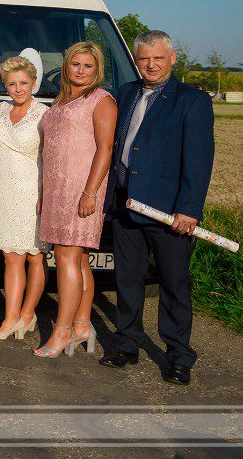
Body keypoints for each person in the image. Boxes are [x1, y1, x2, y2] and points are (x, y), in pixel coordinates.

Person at [99, 31, 214, 385]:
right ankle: (127, 345)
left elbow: (198, 160)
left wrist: (189, 209)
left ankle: (179, 357)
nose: (150, 65)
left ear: (172, 58)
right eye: (144, 58)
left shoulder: (192, 100)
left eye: (158, 58)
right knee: (127, 280)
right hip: (125, 203)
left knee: (174, 284)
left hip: (169, 212)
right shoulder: (127, 92)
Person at [35, 41, 117, 358]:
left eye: (88, 66)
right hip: (57, 189)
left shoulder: (101, 100)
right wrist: (44, 192)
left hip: (81, 190)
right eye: (76, 64)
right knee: (78, 259)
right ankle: (83, 324)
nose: (81, 71)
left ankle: (62, 331)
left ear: (96, 70)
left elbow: (105, 149)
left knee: (67, 258)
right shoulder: (61, 100)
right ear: (67, 65)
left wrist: (90, 192)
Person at [0, 55, 49, 341]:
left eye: (24, 83)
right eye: (12, 84)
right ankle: (11, 318)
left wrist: (46, 194)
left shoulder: (44, 113)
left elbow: (52, 158)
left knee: (35, 256)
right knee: (12, 257)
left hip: (33, 192)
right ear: (5, 86)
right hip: (7, 192)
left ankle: (27, 313)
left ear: (34, 83)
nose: (18, 88)